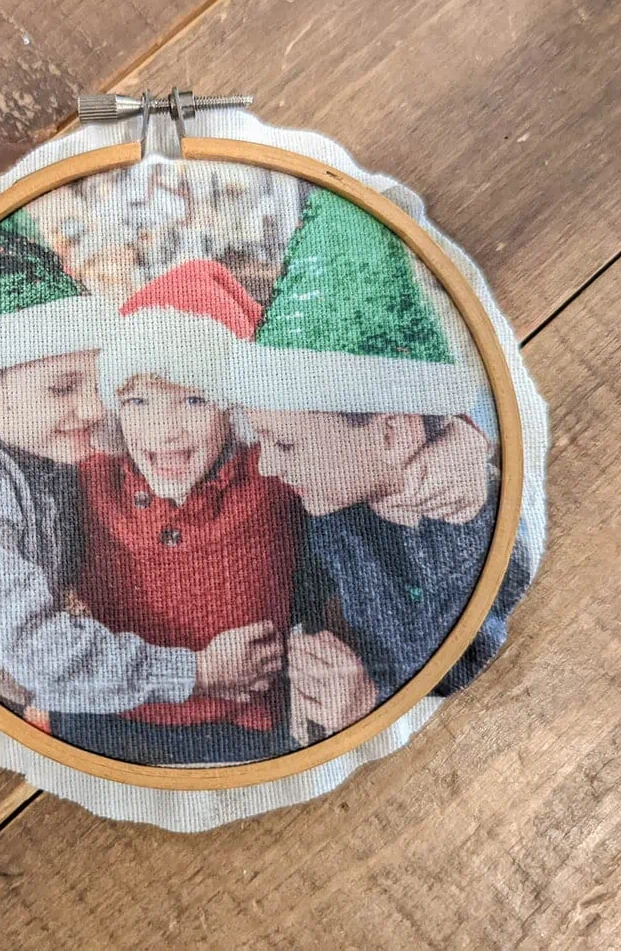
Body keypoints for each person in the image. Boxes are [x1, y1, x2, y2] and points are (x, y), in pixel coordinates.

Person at [0, 212, 273, 722]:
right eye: (63, 388)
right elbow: (37, 652)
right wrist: (196, 672)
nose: (95, 409)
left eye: (96, 384)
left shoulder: (57, 459)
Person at [226, 187, 533, 742]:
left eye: (287, 445)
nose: (267, 466)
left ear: (391, 431)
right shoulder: (331, 511)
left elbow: (486, 679)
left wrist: (368, 705)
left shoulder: (478, 533)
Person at [50, 260, 298, 765]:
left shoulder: (274, 471)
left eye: (192, 400)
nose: (164, 433)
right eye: (138, 401)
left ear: (232, 406)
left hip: (239, 731)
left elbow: (351, 429)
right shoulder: (90, 475)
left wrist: (454, 443)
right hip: (105, 721)